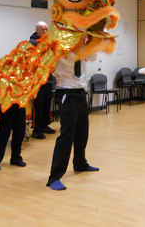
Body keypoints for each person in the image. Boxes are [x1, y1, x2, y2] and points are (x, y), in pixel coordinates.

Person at [46, 36, 99, 191]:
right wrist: (77, 48)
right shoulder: (59, 48)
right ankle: (54, 177)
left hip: (80, 91)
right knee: (67, 134)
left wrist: (92, 42)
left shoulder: (81, 47)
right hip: (66, 92)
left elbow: (93, 57)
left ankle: (80, 163)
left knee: (82, 131)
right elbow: (62, 64)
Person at [29, 21, 56, 139]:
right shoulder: (32, 42)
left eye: (46, 29)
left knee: (46, 103)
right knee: (38, 104)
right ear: (37, 30)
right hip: (38, 80)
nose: (45, 31)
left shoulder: (48, 41)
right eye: (43, 29)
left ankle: (45, 125)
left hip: (48, 78)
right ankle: (37, 129)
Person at [0, 103, 27, 170]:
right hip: (6, 100)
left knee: (20, 129)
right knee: (4, 130)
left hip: (19, 100)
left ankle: (16, 157)